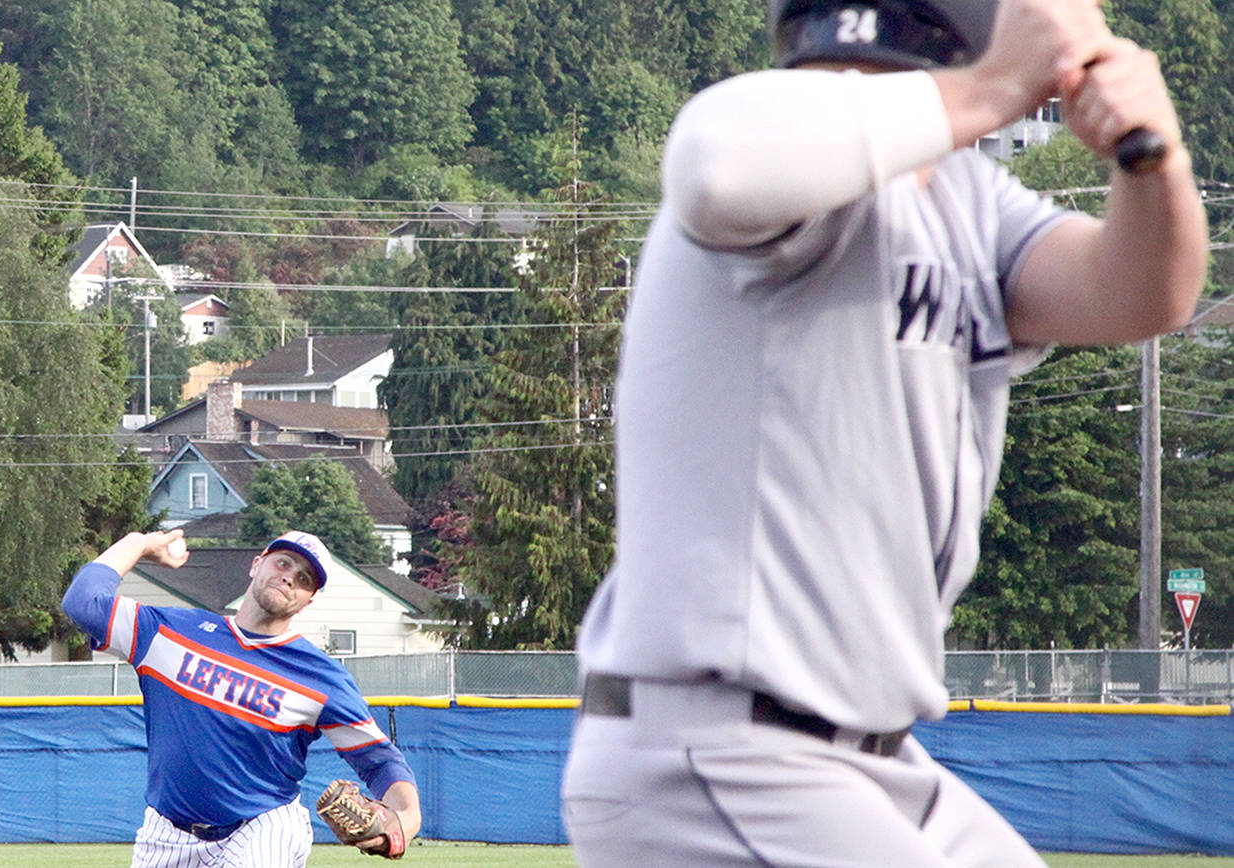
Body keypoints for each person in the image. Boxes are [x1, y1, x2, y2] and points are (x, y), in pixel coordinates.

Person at [562, 0, 1207, 866]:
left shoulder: (968, 199)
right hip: (721, 751)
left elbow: (1141, 296)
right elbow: (717, 168)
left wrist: (1153, 160)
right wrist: (999, 83)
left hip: (873, 760)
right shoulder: (764, 132)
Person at [62, 528, 422, 866]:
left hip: (264, 826)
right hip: (166, 832)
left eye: (304, 579)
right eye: (283, 563)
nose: (289, 578)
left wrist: (403, 822)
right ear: (256, 565)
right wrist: (139, 543)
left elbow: (379, 761)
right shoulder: (168, 633)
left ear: (308, 600)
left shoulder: (320, 676)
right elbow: (83, 602)